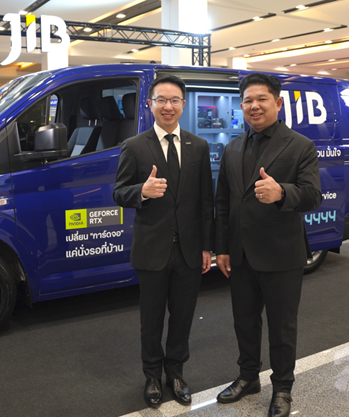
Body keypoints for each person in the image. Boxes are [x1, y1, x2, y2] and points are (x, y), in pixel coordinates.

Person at [214, 73, 322, 417]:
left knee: (282, 327)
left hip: (281, 254)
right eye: (248, 100)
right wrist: (222, 248)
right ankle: (248, 377)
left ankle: (283, 388)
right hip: (241, 254)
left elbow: (313, 195)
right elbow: (223, 203)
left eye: (261, 99)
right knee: (244, 322)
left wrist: (282, 193)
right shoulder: (232, 147)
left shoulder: (300, 146)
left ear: (278, 102)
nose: (254, 106)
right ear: (241, 105)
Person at [113, 75, 214, 408]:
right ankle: (152, 376)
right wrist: (141, 191)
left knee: (183, 317)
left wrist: (207, 247)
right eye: (161, 100)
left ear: (183, 104)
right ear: (150, 104)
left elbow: (205, 200)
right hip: (152, 249)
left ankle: (176, 374)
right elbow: (119, 193)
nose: (167, 106)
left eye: (174, 100)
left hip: (189, 250)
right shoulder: (134, 146)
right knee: (152, 319)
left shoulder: (198, 146)